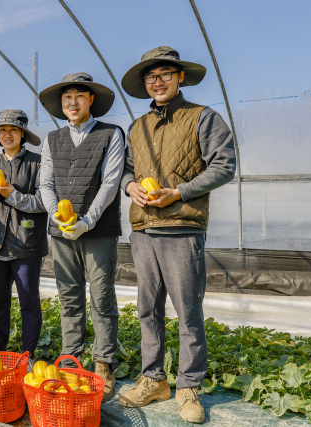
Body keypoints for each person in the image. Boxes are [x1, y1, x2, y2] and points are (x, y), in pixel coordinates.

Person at [118, 47, 236, 424]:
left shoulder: (202, 117)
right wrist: (130, 186)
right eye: (152, 77)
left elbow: (225, 165)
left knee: (187, 310)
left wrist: (180, 191)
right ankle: (153, 378)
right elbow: (126, 169)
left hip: (183, 226)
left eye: (166, 74)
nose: (158, 82)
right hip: (143, 228)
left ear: (180, 77)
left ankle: (188, 385)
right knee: (147, 309)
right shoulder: (137, 126)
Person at [38, 73, 125, 399]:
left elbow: (111, 183)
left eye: (79, 96)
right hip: (61, 233)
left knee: (102, 297)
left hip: (98, 231)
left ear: (91, 101)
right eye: (66, 98)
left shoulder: (110, 134)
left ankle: (103, 362)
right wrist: (57, 217)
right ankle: (71, 359)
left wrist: (87, 220)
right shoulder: (52, 138)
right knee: (69, 298)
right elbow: (45, 185)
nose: (72, 103)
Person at [0, 109, 48, 370]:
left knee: (29, 301)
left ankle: (27, 357)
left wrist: (11, 193)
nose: (7, 134)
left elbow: (43, 202)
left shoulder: (38, 163)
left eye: (13, 130)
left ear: (22, 134)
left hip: (27, 242)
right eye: (2, 130)